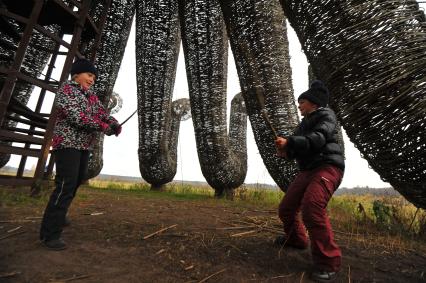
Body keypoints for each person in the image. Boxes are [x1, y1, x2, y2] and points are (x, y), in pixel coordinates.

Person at [39, 58, 122, 250]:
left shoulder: (90, 96)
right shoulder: (67, 91)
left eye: (94, 76)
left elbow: (101, 113)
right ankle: (49, 234)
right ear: (76, 74)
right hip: (67, 144)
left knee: (76, 181)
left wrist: (113, 122)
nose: (92, 79)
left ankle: (59, 214)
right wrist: (103, 127)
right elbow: (77, 117)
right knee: (65, 186)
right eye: (89, 75)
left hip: (83, 146)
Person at [274, 80, 345, 282]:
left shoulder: (326, 116)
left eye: (302, 101)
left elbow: (318, 138)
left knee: (312, 207)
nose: (299, 105)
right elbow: (298, 147)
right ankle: (296, 239)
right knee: (286, 208)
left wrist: (290, 142)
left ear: (314, 103)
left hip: (328, 167)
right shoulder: (302, 125)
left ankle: (328, 263)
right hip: (308, 169)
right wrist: (286, 151)